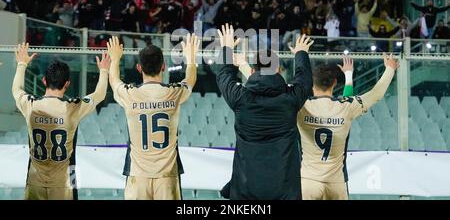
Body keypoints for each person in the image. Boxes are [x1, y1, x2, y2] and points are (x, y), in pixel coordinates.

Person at [216, 24, 314, 200]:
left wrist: (227, 48)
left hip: (245, 191)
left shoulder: (240, 99)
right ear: (278, 69)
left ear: (252, 71)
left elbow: (224, 75)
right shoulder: (290, 99)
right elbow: (305, 78)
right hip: (284, 192)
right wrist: (300, 53)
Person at [12, 43, 110, 200]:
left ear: (44, 81)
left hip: (35, 180)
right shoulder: (72, 107)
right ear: (67, 84)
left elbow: (17, 90)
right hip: (65, 182)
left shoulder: (31, 105)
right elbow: (100, 94)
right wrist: (104, 71)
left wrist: (22, 64)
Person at [107, 34, 200, 200]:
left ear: (139, 68)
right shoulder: (174, 93)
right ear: (163, 67)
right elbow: (190, 80)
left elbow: (114, 81)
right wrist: (191, 59)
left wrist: (115, 59)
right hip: (167, 175)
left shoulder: (130, 95)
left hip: (138, 175)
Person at [297, 54, 399, 200]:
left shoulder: (301, 107)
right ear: (334, 83)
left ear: (312, 85)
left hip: (308, 181)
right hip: (336, 183)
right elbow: (376, 94)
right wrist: (390, 69)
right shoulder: (346, 107)